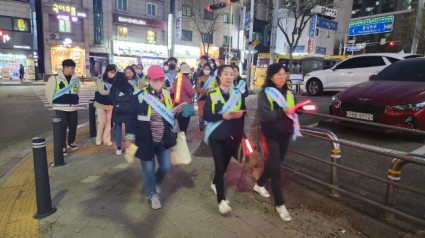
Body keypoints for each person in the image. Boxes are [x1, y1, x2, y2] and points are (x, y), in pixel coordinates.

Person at [125, 65, 182, 210]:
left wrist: (175, 112)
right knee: (148, 169)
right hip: (145, 139)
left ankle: (154, 182)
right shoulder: (139, 96)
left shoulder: (166, 94)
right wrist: (130, 138)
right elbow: (130, 118)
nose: (159, 81)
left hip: (163, 138)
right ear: (149, 79)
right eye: (156, 79)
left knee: (166, 166)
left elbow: (168, 116)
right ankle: (151, 194)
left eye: (162, 79)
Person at [254, 63, 299, 222]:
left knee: (275, 163)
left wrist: (297, 109)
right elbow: (265, 116)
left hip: (285, 133)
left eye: (283, 74)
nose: (281, 77)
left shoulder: (289, 92)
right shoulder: (265, 93)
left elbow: (294, 110)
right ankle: (280, 203)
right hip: (270, 134)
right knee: (277, 169)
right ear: (270, 77)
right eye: (277, 75)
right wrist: (282, 111)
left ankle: (259, 183)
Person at [203, 65, 246, 215]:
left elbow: (243, 113)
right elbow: (206, 116)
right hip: (216, 135)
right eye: (226, 74)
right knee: (220, 167)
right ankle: (221, 200)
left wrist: (241, 134)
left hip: (233, 137)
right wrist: (223, 116)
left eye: (231, 74)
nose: (229, 77)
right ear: (219, 76)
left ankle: (215, 182)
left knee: (223, 167)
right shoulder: (212, 94)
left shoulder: (238, 94)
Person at [45, 59, 80, 156]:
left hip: (73, 107)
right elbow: (49, 92)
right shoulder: (54, 78)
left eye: (74, 68)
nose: (73, 70)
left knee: (73, 126)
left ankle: (71, 142)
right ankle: (63, 146)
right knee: (62, 127)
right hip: (60, 107)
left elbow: (77, 91)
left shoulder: (75, 79)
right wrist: (53, 103)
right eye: (71, 68)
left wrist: (75, 100)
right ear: (65, 67)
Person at [109, 72, 134, 155]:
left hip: (118, 111)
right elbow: (133, 98)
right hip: (128, 111)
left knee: (118, 129)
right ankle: (128, 148)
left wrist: (115, 104)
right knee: (129, 130)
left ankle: (119, 148)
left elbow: (110, 98)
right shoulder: (129, 86)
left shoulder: (114, 87)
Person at [94, 64, 116, 146]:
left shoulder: (114, 81)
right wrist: (112, 92)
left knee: (108, 122)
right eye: (111, 72)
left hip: (110, 104)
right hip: (100, 104)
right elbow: (101, 91)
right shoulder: (99, 80)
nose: (112, 74)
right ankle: (98, 139)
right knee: (102, 122)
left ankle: (106, 139)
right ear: (107, 71)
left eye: (114, 72)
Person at [173, 63, 196, 133]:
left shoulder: (177, 79)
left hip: (177, 105)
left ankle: (179, 139)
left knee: (179, 125)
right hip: (185, 106)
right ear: (188, 73)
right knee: (184, 127)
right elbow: (192, 93)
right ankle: (182, 141)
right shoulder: (186, 80)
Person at [195, 64, 215, 133]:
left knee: (210, 112)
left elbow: (216, 87)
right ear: (203, 69)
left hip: (211, 98)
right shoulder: (200, 78)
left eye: (208, 69)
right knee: (201, 113)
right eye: (205, 69)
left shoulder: (213, 78)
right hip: (202, 98)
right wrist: (204, 91)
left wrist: (211, 91)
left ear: (210, 70)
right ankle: (201, 127)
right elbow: (197, 88)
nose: (206, 70)